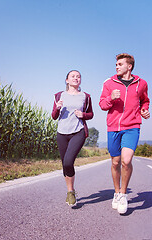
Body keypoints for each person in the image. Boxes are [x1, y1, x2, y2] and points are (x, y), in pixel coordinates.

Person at [99, 53, 150, 214]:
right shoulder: (108, 83)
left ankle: (123, 194)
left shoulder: (141, 84)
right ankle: (116, 192)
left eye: (120, 64)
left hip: (132, 126)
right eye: (116, 64)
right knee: (115, 162)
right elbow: (102, 104)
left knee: (126, 161)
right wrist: (111, 98)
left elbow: (145, 100)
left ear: (129, 66)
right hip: (113, 127)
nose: (116, 66)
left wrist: (145, 110)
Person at [51, 70, 94, 207]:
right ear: (67, 80)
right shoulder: (59, 95)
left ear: (80, 80)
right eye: (73, 76)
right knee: (65, 164)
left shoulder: (85, 96)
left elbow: (91, 114)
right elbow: (54, 116)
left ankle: (71, 191)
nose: (76, 78)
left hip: (78, 131)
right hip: (62, 133)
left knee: (69, 162)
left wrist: (83, 114)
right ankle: (71, 192)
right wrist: (57, 108)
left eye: (78, 76)